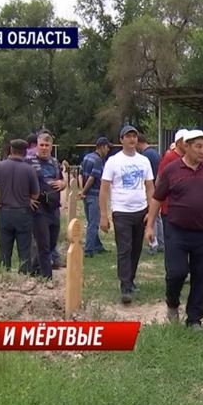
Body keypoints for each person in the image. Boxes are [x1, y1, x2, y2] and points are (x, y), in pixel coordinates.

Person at [145, 130, 203, 330]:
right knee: (176, 272)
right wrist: (150, 225)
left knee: (201, 276)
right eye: (198, 146)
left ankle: (194, 319)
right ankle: (172, 303)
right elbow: (157, 198)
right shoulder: (171, 170)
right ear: (186, 146)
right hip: (177, 231)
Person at [100, 125, 155, 304]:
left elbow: (149, 187)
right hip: (121, 210)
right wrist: (103, 214)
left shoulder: (144, 161)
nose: (132, 139)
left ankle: (130, 279)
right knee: (125, 248)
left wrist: (151, 211)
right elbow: (104, 189)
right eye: (128, 136)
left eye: (134, 136)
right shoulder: (113, 161)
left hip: (140, 209)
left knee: (136, 248)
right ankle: (124, 286)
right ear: (121, 139)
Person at [0, 139, 40, 274]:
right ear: (25, 152)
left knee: (4, 250)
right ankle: (24, 276)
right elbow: (35, 194)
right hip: (23, 213)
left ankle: (4, 275)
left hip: (4, 213)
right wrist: (28, 198)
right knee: (25, 250)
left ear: (11, 151)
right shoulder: (30, 170)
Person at [27, 132, 66, 280]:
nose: (44, 148)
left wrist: (63, 184)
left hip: (54, 208)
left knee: (51, 243)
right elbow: (22, 183)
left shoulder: (55, 162)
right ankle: (47, 277)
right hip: (39, 209)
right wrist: (27, 200)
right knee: (43, 244)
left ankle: (34, 268)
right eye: (41, 145)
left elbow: (62, 180)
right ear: (37, 145)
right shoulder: (29, 162)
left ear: (51, 147)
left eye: (46, 145)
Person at [78, 137, 110, 257]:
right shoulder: (98, 160)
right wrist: (85, 191)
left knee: (91, 221)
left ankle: (97, 246)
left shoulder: (87, 157)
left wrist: (82, 190)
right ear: (101, 147)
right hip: (94, 195)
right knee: (94, 223)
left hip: (87, 195)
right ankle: (89, 250)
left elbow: (81, 174)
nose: (108, 150)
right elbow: (92, 178)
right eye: (107, 147)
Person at [138, 133, 164, 253]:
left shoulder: (146, 155)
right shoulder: (154, 153)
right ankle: (161, 242)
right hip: (157, 187)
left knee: (151, 216)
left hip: (151, 188)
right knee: (157, 217)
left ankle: (153, 244)